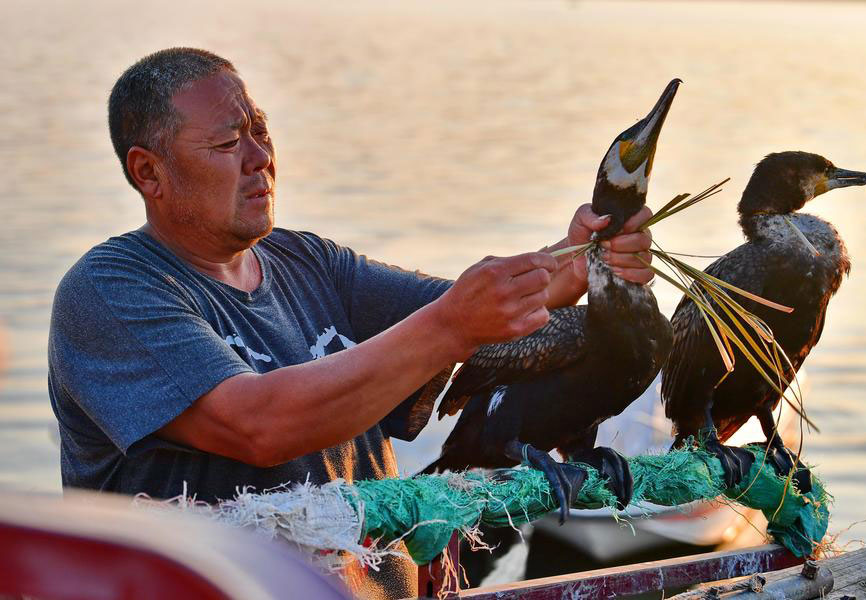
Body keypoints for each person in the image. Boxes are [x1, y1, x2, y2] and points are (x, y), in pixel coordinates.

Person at [47, 48, 654, 599]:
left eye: (260, 130)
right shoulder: (109, 291)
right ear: (148, 173)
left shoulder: (307, 261)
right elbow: (259, 425)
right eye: (228, 143)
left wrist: (581, 259)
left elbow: (488, 310)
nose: (261, 157)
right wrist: (452, 327)